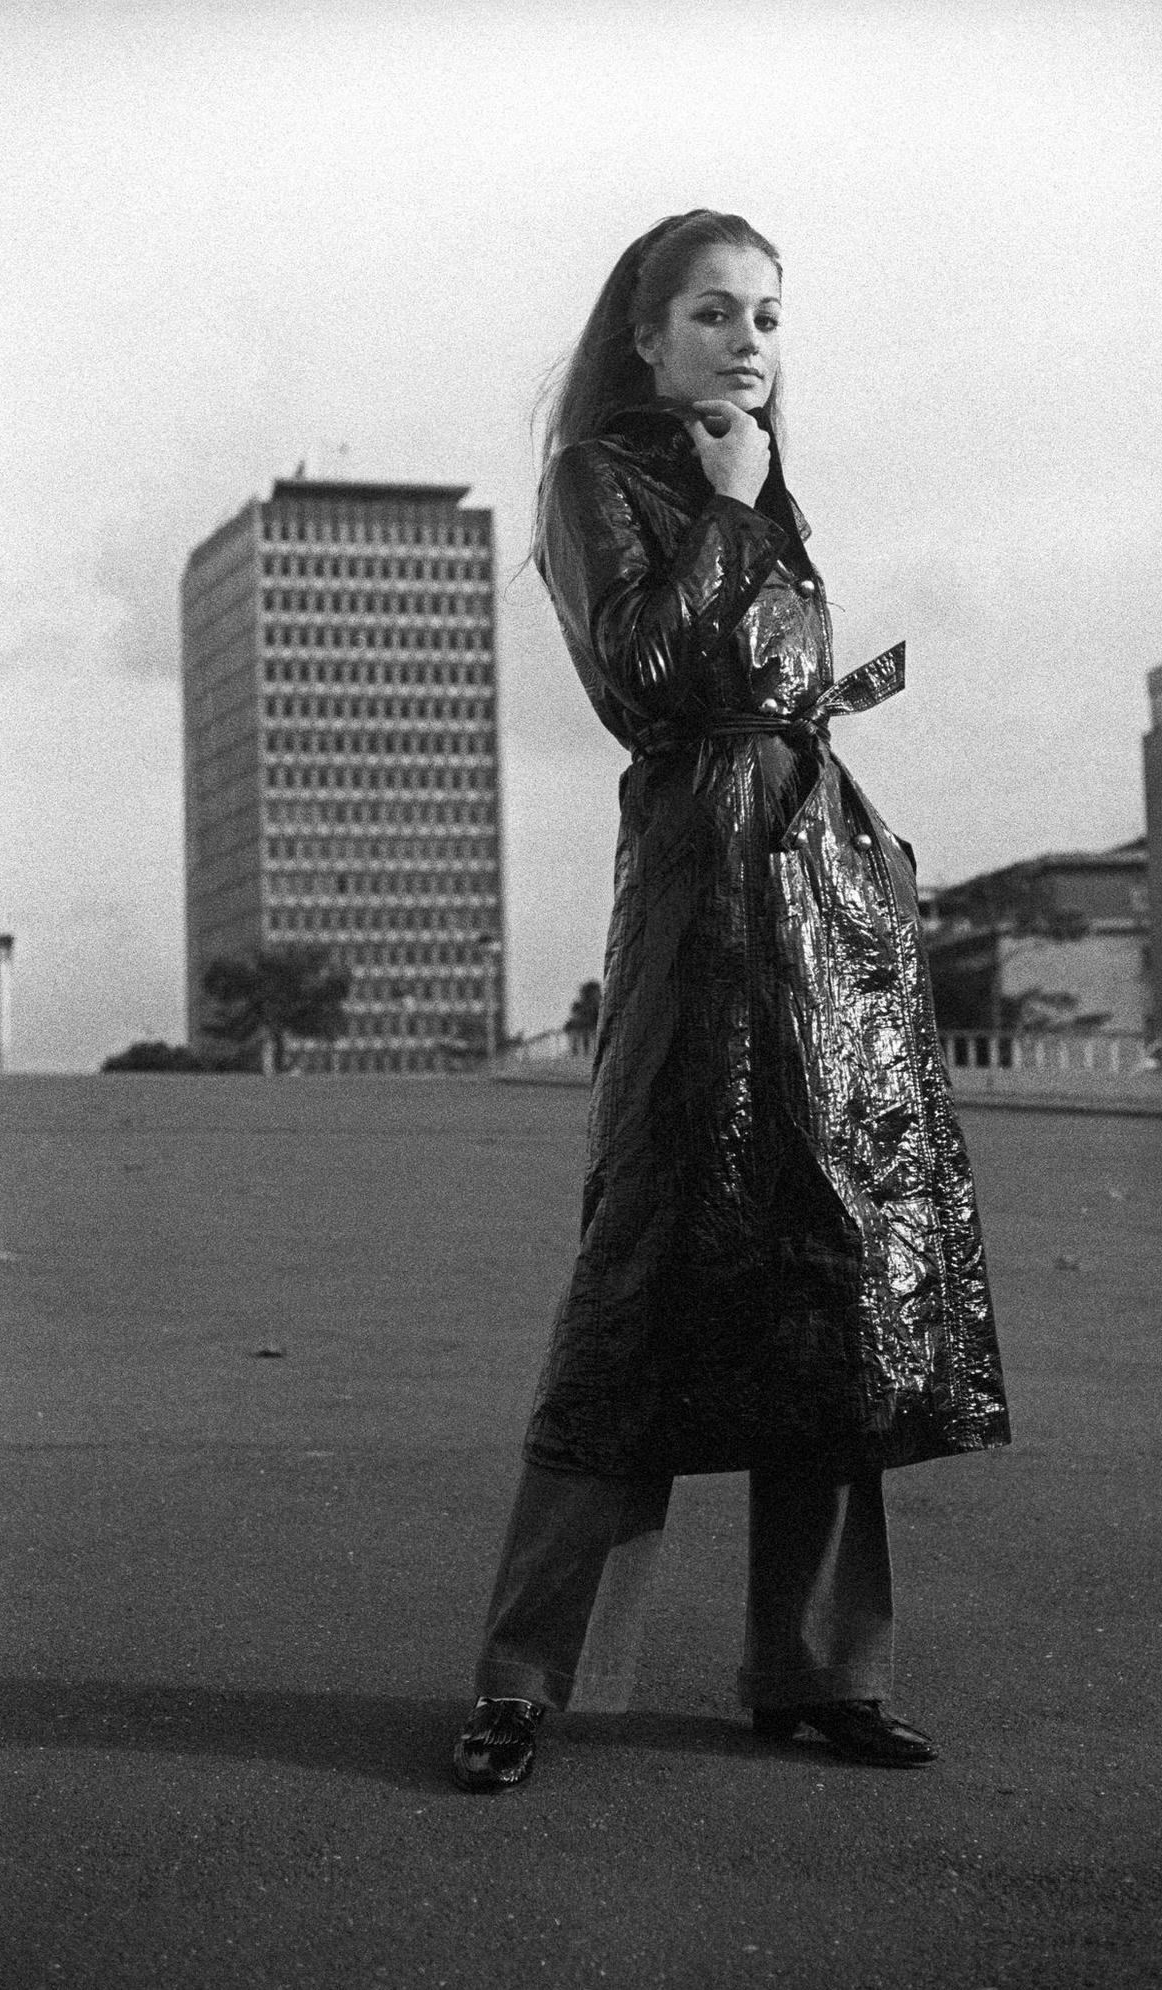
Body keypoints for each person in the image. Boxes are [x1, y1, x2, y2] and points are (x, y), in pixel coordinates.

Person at [453, 210, 1010, 1792]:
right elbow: (645, 678)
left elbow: (781, 678)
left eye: (768, 311)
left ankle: (819, 1670)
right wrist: (729, 512)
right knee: (642, 1273)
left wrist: (755, 511)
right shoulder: (604, 484)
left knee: (830, 1267)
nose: (749, 337)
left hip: (821, 916)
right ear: (646, 333)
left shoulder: (757, 482)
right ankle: (528, 1680)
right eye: (713, 310)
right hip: (702, 897)